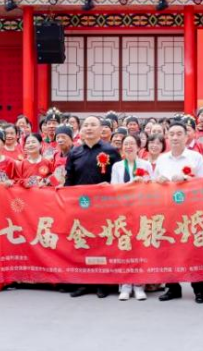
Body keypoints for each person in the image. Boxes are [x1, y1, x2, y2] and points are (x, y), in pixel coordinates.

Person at [152, 120, 203, 303]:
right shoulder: (162, 159)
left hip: (190, 210)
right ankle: (172, 287)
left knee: (193, 249)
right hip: (167, 209)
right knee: (169, 248)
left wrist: (186, 179)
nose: (175, 137)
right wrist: (158, 180)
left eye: (179, 134)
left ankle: (199, 288)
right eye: (172, 134)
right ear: (167, 137)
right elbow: (154, 183)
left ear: (187, 137)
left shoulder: (195, 157)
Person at [65, 116, 121, 299]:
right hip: (80, 206)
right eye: (86, 125)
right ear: (81, 130)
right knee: (81, 242)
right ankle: (82, 282)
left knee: (101, 243)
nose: (89, 128)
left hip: (104, 206)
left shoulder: (111, 151)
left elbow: (117, 179)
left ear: (101, 129)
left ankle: (102, 283)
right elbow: (69, 180)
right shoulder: (75, 152)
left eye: (93, 125)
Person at [111, 134, 152, 301]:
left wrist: (143, 183)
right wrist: (131, 184)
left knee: (139, 248)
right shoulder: (117, 166)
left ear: (138, 147)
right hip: (122, 211)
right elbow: (114, 188)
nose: (128, 146)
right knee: (124, 248)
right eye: (125, 144)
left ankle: (139, 285)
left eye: (131, 144)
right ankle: (125, 285)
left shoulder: (146, 164)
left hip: (141, 210)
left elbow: (152, 186)